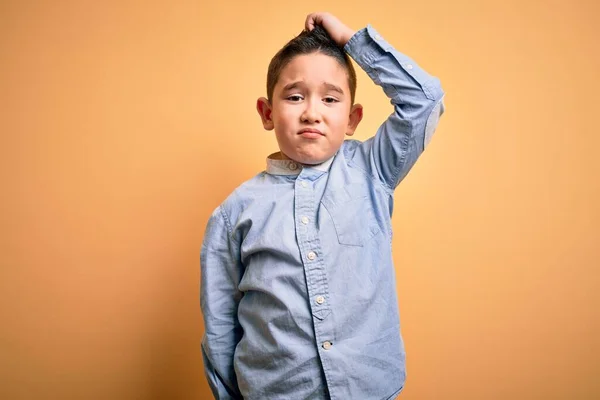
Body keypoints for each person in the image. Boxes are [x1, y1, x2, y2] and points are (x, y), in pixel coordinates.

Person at [200, 11, 445, 400]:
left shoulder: (372, 171)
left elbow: (424, 99)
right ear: (267, 113)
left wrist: (351, 41)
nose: (312, 111)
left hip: (370, 388)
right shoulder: (235, 213)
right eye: (295, 96)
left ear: (352, 118)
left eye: (330, 99)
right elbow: (220, 325)